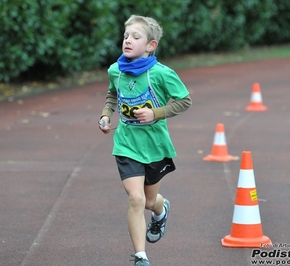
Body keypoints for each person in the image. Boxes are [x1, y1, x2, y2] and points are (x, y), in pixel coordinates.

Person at [98, 14, 192, 266]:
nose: (128, 40)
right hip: (126, 143)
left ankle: (161, 211)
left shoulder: (162, 74)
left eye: (135, 37)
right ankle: (141, 257)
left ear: (151, 45)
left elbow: (185, 101)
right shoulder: (115, 70)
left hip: (155, 145)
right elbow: (112, 95)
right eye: (126, 36)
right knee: (136, 199)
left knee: (150, 201)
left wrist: (156, 113)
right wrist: (106, 115)